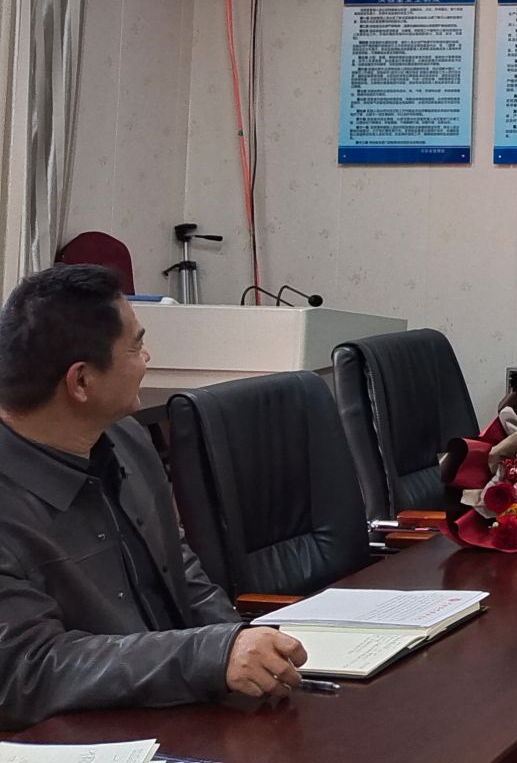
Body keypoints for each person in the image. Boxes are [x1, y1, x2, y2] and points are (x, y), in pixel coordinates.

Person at [0, 265, 309, 728]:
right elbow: (28, 670)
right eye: (135, 346)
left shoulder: (125, 437)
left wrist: (238, 640)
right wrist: (208, 655)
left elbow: (178, 566)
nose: (147, 358)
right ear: (81, 382)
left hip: (186, 706)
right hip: (95, 734)